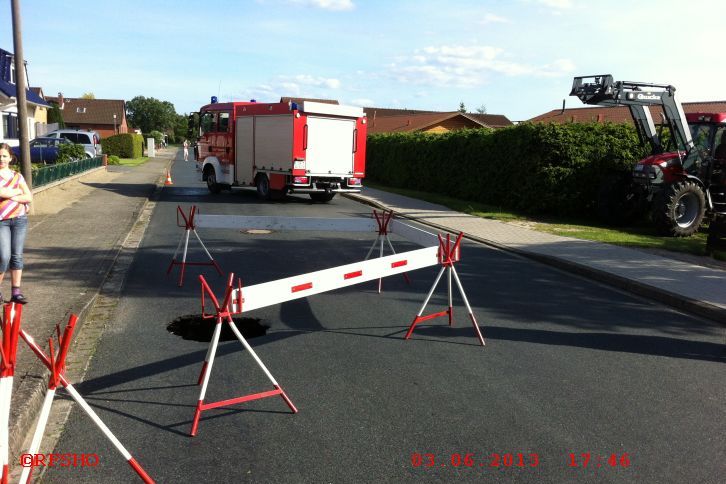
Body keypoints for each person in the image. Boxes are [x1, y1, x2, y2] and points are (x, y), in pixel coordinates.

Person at [0, 143, 32, 304]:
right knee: (3, 256)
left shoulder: (17, 176)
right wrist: (18, 191)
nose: (1, 159)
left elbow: (29, 197)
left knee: (17, 256)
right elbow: (1, 192)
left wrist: (10, 196)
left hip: (19, 219)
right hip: (2, 222)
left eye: (4, 156)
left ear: (10, 158)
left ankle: (16, 292)